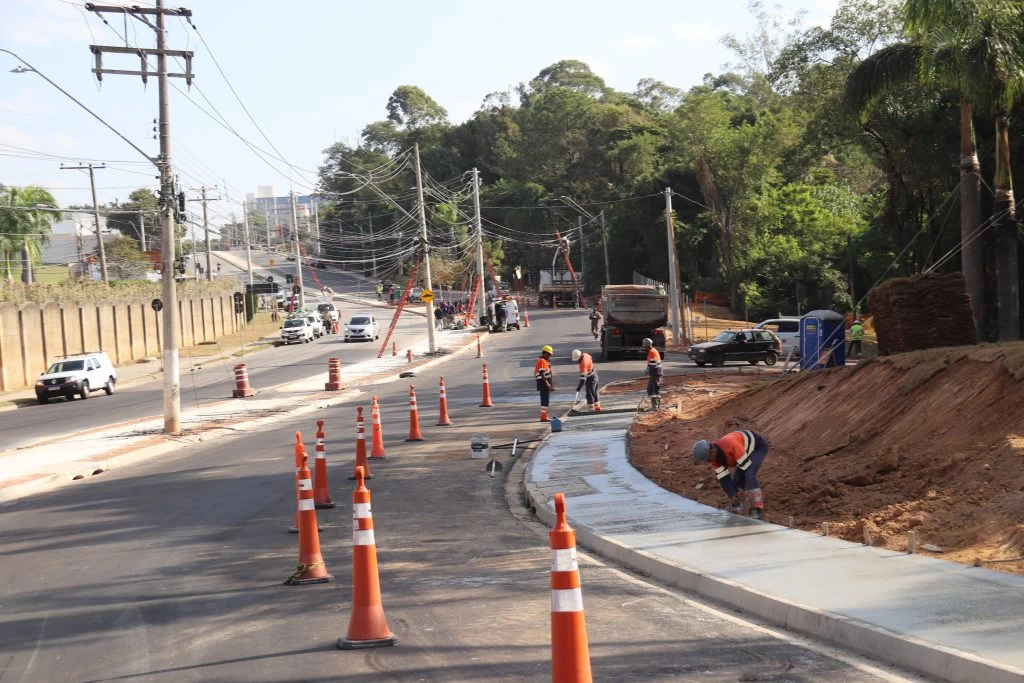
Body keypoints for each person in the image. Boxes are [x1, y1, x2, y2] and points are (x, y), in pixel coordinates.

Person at [691, 430, 770, 520]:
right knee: (735, 482)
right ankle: (737, 505)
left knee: (749, 475)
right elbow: (724, 478)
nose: (710, 462)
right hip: (742, 452)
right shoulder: (714, 459)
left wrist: (746, 492)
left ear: (712, 451)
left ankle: (757, 509)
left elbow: (745, 469)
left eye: (708, 459)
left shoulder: (731, 445)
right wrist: (732, 494)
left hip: (757, 447)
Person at [534, 345, 555, 422]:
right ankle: (543, 417)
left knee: (545, 399)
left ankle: (544, 416)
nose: (550, 356)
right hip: (543, 383)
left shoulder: (544, 361)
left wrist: (550, 384)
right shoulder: (542, 361)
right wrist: (548, 384)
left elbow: (548, 372)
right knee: (544, 400)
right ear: (545, 353)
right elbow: (542, 373)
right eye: (549, 355)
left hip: (544, 383)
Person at [643, 337, 663, 410]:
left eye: (645, 346)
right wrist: (648, 369)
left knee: (652, 389)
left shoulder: (651, 352)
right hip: (657, 372)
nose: (644, 348)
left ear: (647, 345)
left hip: (655, 372)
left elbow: (652, 364)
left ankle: (655, 407)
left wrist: (647, 370)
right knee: (655, 389)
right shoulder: (654, 350)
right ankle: (656, 407)